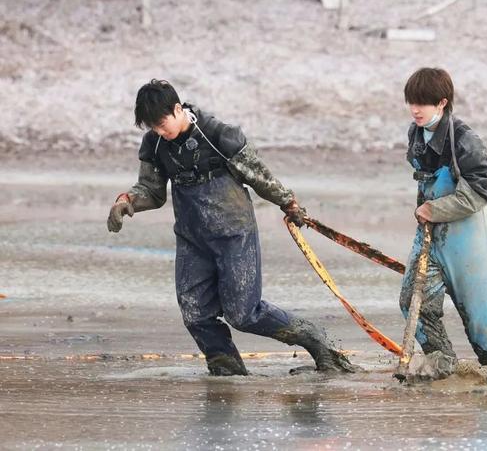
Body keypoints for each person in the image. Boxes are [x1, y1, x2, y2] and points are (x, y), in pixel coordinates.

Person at [107, 79, 356, 376]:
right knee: (194, 312)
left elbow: (259, 176)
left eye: (161, 124)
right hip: (192, 239)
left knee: (243, 313)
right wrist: (128, 201)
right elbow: (152, 189)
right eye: (152, 127)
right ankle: (226, 370)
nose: (159, 131)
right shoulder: (155, 144)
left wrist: (289, 204)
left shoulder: (218, 135)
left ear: (177, 109)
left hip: (234, 234)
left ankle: (313, 338)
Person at [401, 67, 487, 378]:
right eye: (411, 102)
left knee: (479, 314)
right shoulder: (416, 132)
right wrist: (426, 213)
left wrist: (434, 210)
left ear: (442, 103)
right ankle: (442, 363)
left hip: (467, 237)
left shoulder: (465, 140)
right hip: (430, 235)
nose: (415, 110)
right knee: (413, 301)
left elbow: (479, 192)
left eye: (423, 103)